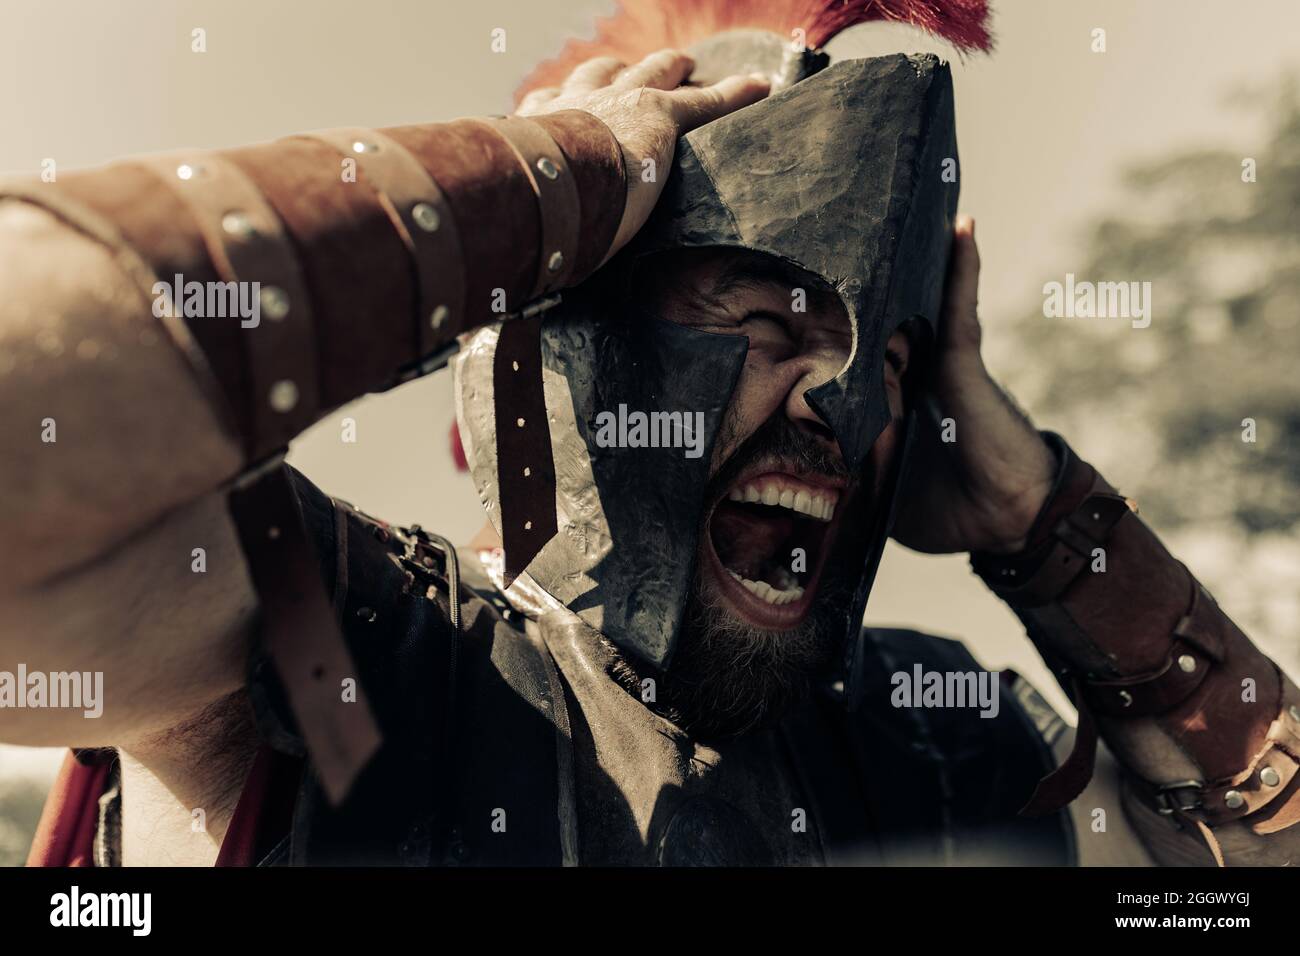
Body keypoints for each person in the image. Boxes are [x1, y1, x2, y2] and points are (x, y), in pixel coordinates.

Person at [4, 2, 1297, 867]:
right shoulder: (346, 643)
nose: (835, 398)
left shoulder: (938, 732)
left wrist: (1053, 529)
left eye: (888, 360)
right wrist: (551, 183)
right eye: (754, 316)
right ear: (562, 342)